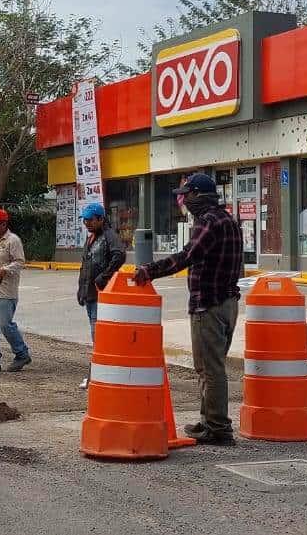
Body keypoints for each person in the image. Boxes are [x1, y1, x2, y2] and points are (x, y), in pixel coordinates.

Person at [131, 173, 243, 444]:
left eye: (186, 195)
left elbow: (186, 257)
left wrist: (150, 270)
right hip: (228, 303)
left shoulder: (207, 223)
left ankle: (217, 426)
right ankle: (209, 422)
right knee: (212, 366)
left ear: (198, 195)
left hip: (209, 305)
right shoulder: (229, 220)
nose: (184, 201)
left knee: (209, 368)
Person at [77, 201, 125, 389]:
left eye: (90, 220)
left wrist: (103, 277)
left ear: (100, 219)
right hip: (90, 295)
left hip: (101, 296)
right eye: (85, 220)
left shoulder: (108, 236)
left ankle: (98, 376)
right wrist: (81, 289)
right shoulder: (92, 238)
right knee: (96, 336)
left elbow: (119, 255)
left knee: (99, 337)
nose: (87, 223)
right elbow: (85, 266)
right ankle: (97, 375)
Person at [0, 207, 31, 372]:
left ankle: (22, 353)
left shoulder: (13, 240)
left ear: (3, 224)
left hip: (6, 292)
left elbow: (20, 262)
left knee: (4, 325)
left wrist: (5, 270)